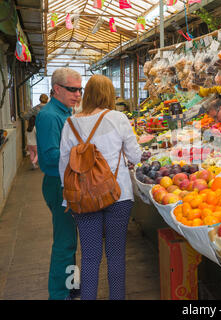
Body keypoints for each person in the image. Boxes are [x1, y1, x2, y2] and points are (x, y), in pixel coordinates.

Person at [59, 74, 142, 300]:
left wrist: (71, 197)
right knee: (116, 255)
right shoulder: (118, 118)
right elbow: (135, 155)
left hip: (83, 198)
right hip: (118, 194)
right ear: (108, 94)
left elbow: (64, 165)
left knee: (89, 256)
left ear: (87, 94)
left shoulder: (70, 122)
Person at [36, 67, 82, 300]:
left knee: (71, 241)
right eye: (72, 89)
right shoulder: (49, 116)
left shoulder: (65, 112)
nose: (78, 94)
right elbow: (51, 155)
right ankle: (59, 294)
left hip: (67, 182)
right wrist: (83, 154)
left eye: (79, 89)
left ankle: (71, 284)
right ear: (56, 89)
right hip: (58, 184)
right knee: (64, 243)